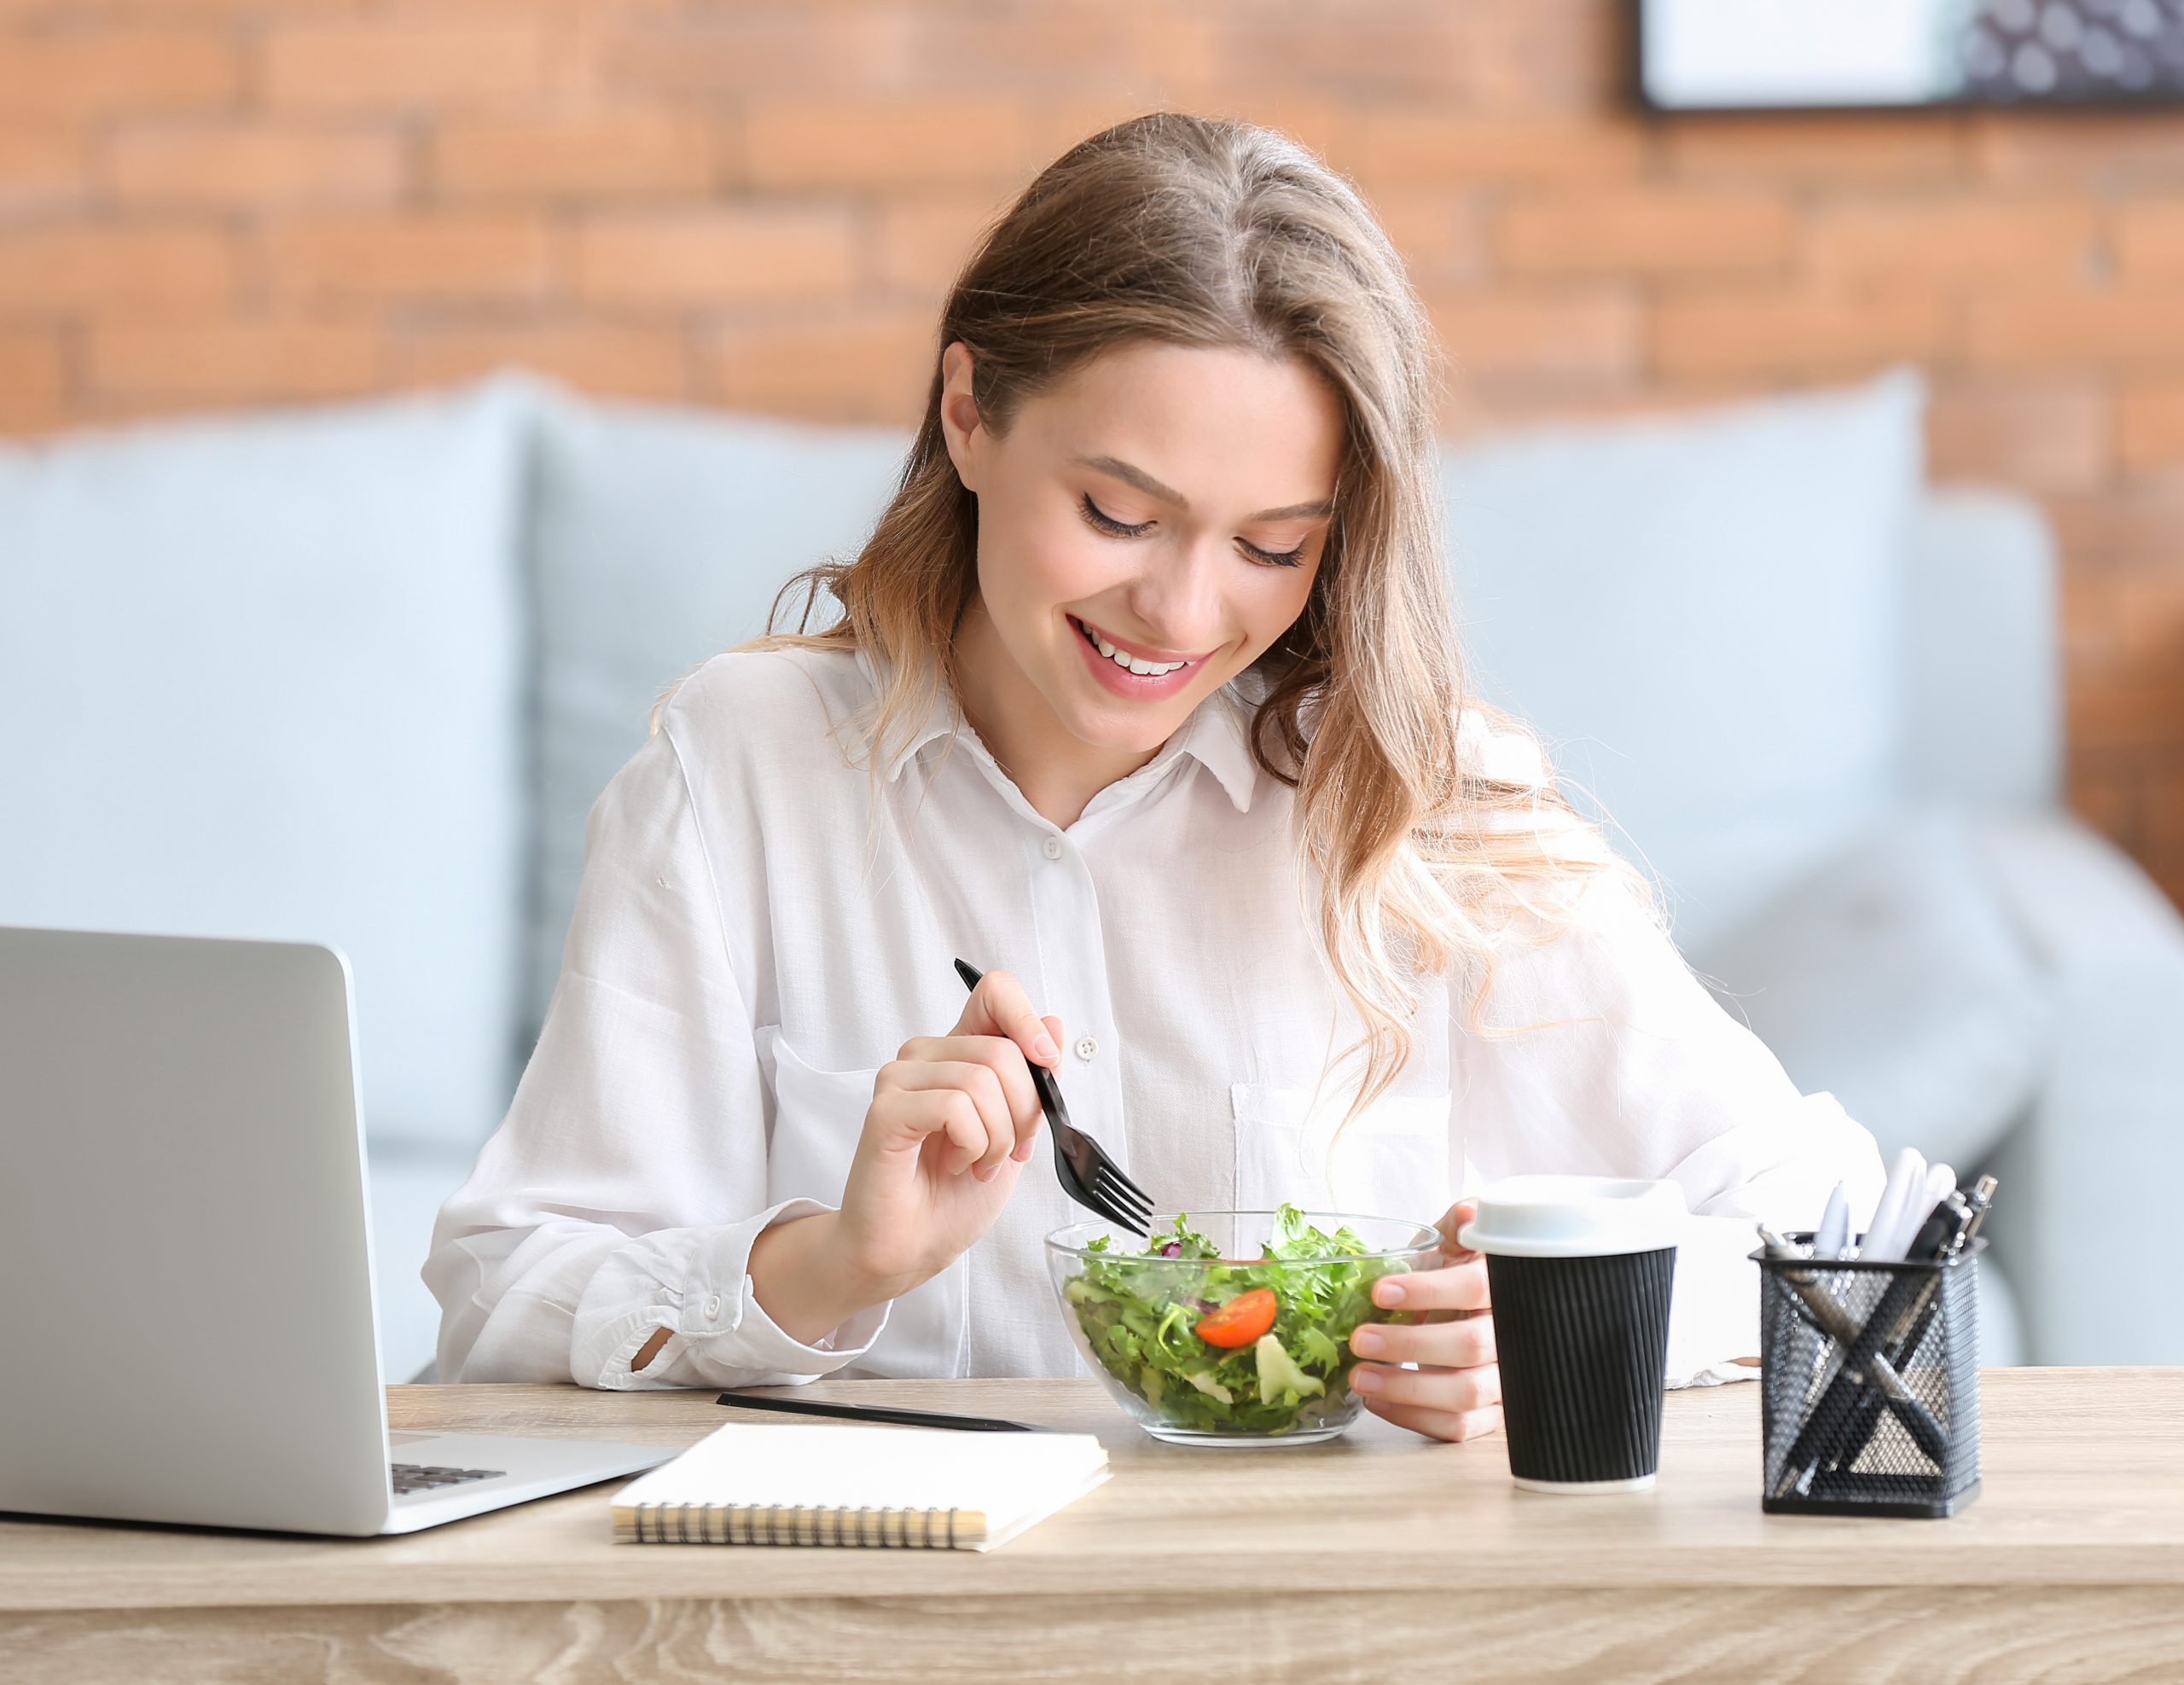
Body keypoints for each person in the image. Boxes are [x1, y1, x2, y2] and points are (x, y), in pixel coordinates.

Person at [426, 113, 1885, 1443]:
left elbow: (1834, 1239)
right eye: (1119, 513)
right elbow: (503, 1306)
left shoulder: (1415, 801)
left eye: (1273, 546)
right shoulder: (738, 771)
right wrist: (830, 1263)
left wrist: (1562, 1324)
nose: (1184, 617)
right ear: (968, 414)